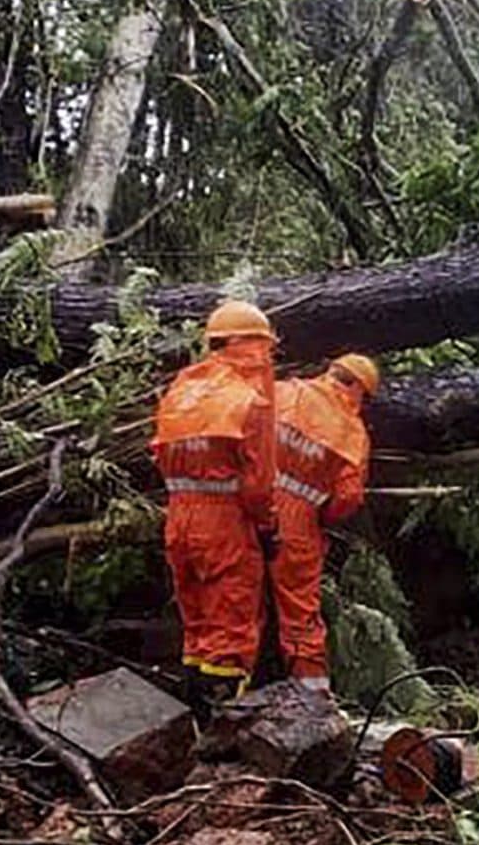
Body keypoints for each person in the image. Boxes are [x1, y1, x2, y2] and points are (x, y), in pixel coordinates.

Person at [152, 300, 279, 708]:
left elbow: (160, 456)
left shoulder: (181, 390)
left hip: (179, 518)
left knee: (198, 623)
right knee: (232, 627)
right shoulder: (249, 400)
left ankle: (192, 721)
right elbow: (258, 485)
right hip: (225, 524)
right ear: (256, 346)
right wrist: (267, 527)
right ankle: (222, 730)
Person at [270, 354, 378, 694]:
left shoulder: (283, 392)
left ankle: (224, 698)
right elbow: (348, 497)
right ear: (358, 389)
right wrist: (320, 516)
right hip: (297, 522)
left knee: (235, 601)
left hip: (246, 506)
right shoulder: (352, 432)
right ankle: (312, 698)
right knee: (300, 613)